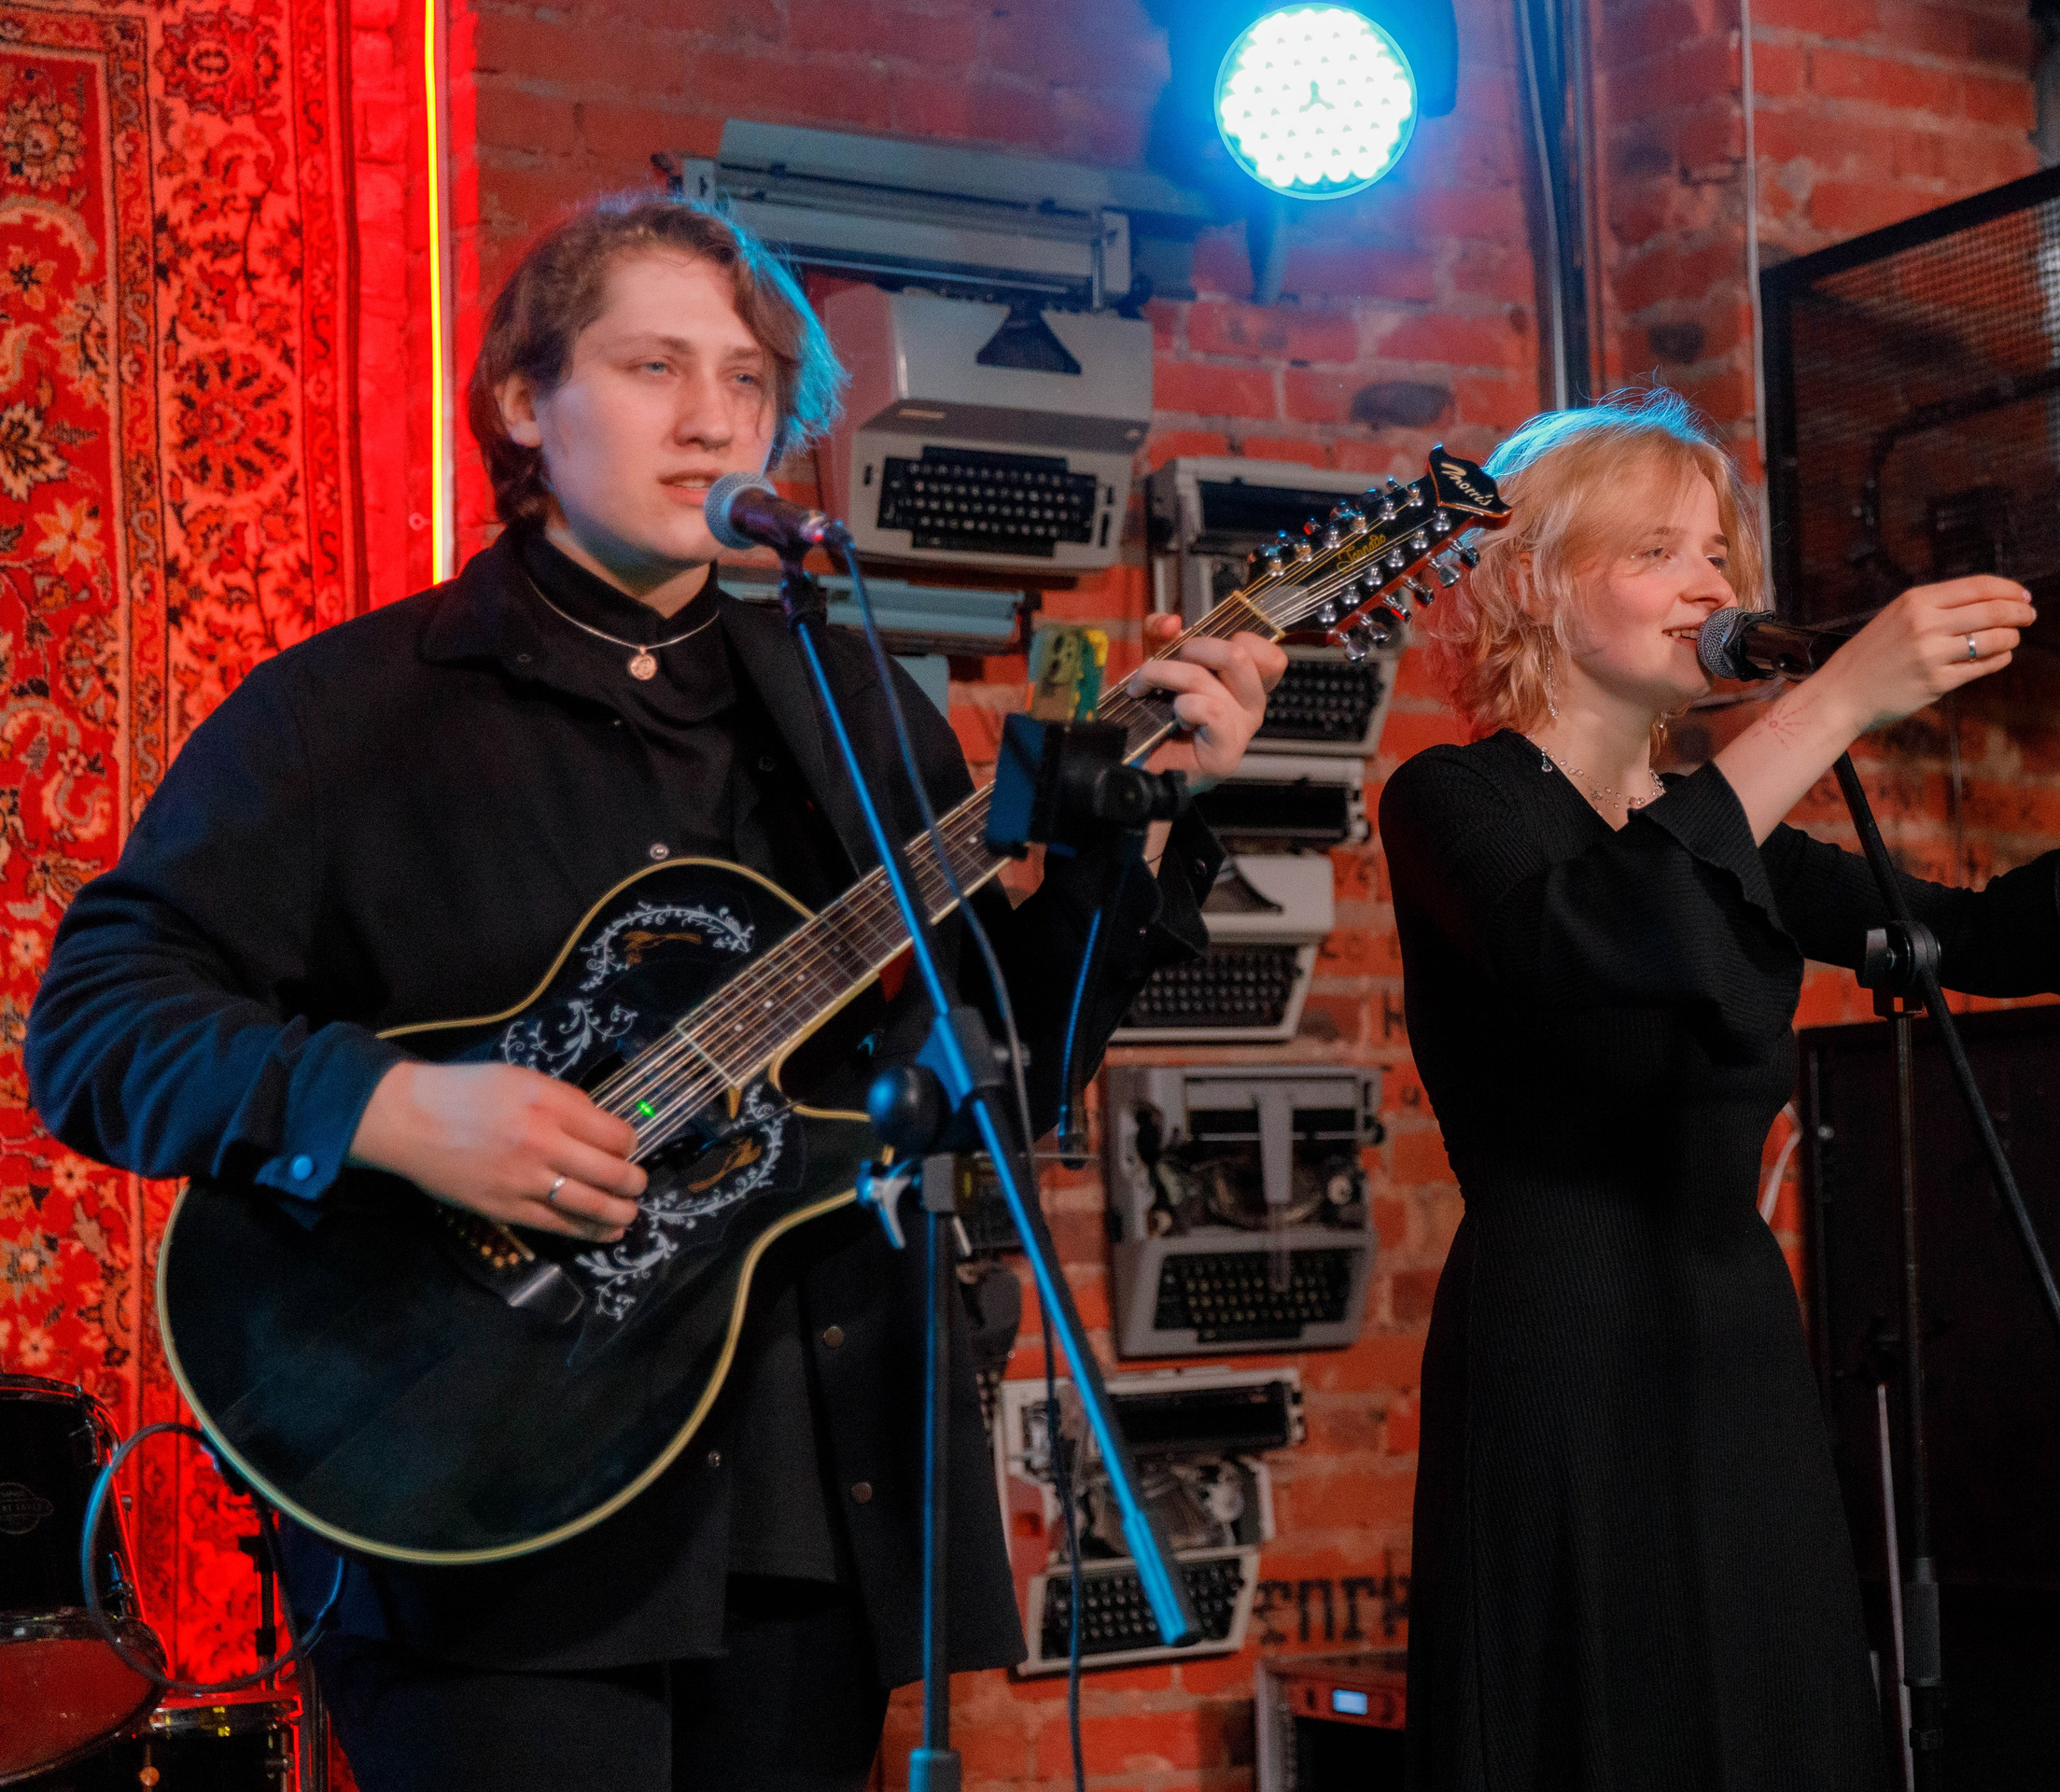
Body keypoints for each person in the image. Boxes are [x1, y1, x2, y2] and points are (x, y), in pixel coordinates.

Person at [25, 194, 1285, 1791]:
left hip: (801, 1492)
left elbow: (996, 1072)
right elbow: (95, 1026)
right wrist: (399, 1109)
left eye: (748, 382)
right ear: (519, 402)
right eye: (651, 367)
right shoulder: (351, 714)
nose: (711, 422)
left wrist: (1144, 827)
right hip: (476, 1493)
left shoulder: (856, 705)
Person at [1379, 389, 2060, 1790]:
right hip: (1563, 1341)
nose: (1711, 586)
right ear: (1528, 580)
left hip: (1733, 1346)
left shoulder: (1738, 830)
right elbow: (1580, 932)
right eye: (1658, 552)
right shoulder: (1454, 800)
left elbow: (1990, 940)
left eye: (1719, 554)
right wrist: (1831, 702)